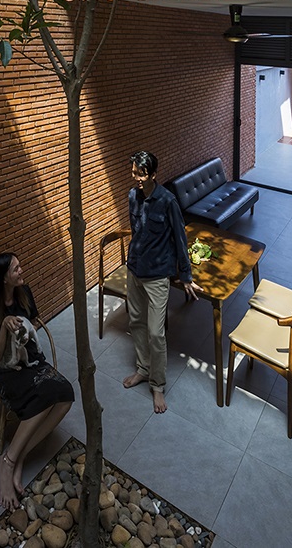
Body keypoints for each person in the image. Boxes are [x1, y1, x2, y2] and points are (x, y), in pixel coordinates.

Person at [0, 252, 74, 510]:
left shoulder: (24, 292)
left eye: (20, 266)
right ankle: (7, 462)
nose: (22, 271)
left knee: (66, 394)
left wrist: (22, 330)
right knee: (42, 398)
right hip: (4, 369)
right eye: (16, 269)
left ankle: (20, 455)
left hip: (28, 358)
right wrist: (4, 327)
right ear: (3, 279)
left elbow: (31, 325)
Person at [123, 150, 200, 413]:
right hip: (135, 271)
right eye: (134, 173)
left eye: (141, 174)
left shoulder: (168, 201)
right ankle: (143, 370)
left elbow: (180, 238)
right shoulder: (133, 196)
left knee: (156, 332)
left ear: (154, 175)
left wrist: (186, 275)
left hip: (157, 276)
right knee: (135, 322)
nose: (137, 179)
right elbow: (136, 232)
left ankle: (158, 385)